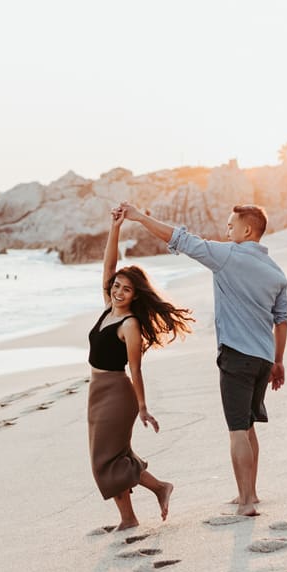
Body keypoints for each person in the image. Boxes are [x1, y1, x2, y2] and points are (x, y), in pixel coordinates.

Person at [119, 202, 287, 517]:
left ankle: (246, 503)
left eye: (231, 225)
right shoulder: (276, 272)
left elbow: (180, 239)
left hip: (236, 355)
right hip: (264, 359)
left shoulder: (227, 256)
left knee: (237, 429)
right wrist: (278, 361)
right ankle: (250, 493)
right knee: (249, 426)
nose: (227, 230)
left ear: (247, 230)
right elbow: (281, 320)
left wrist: (140, 217)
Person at [87, 208, 194, 530]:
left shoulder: (129, 324)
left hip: (117, 394)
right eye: (117, 286)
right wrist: (114, 227)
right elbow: (108, 267)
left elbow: (136, 369)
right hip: (96, 392)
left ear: (135, 296)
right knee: (113, 456)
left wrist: (143, 407)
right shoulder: (109, 308)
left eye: (126, 290)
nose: (118, 292)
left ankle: (154, 493)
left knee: (105, 460)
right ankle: (135, 513)